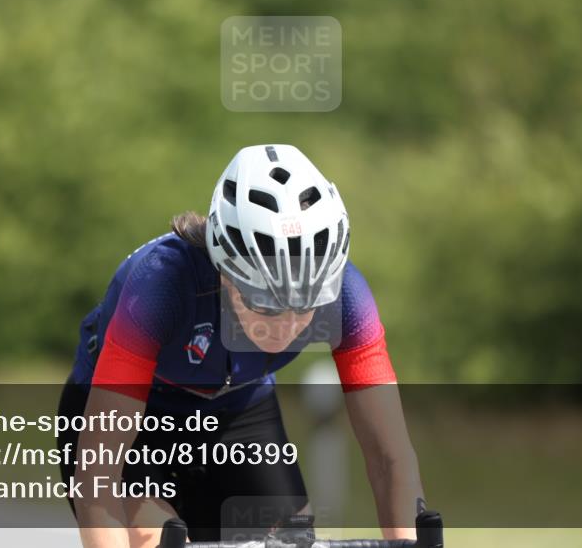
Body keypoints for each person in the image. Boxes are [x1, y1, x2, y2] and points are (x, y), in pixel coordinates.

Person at [58, 145, 425, 548]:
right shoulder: (161, 284)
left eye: (306, 304)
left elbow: (391, 458)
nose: (286, 325)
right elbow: (98, 475)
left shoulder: (347, 296)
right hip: (139, 420)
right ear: (225, 273)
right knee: (152, 539)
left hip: (239, 409)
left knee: (292, 541)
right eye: (265, 303)